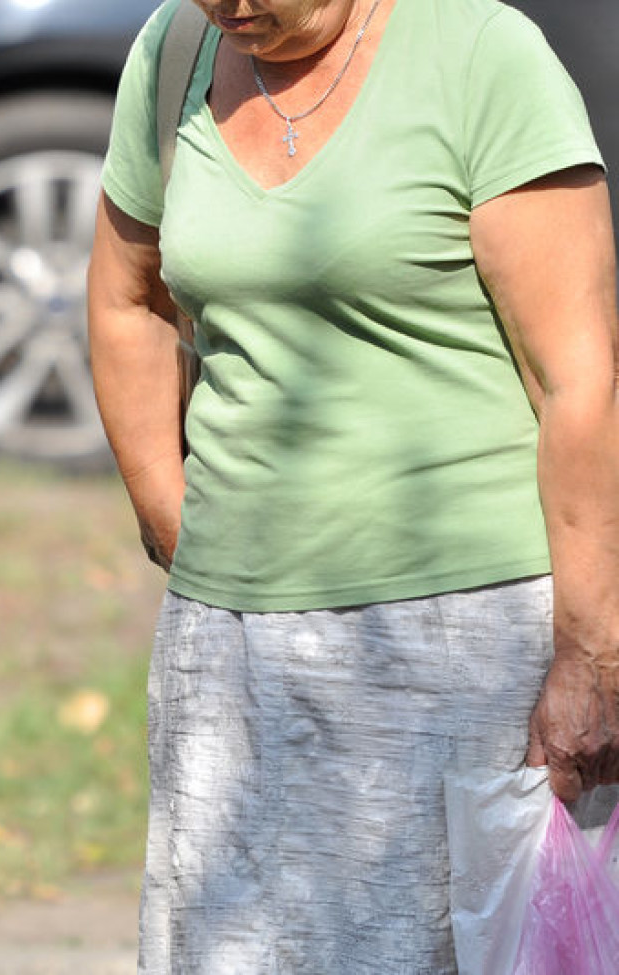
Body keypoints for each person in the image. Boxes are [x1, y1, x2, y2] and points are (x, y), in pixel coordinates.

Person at [88, 0, 619, 970]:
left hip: (457, 648)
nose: (230, 7)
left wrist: (591, 655)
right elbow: (126, 300)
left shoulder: (479, 55)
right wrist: (170, 511)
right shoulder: (172, 52)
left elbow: (577, 380)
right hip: (227, 650)